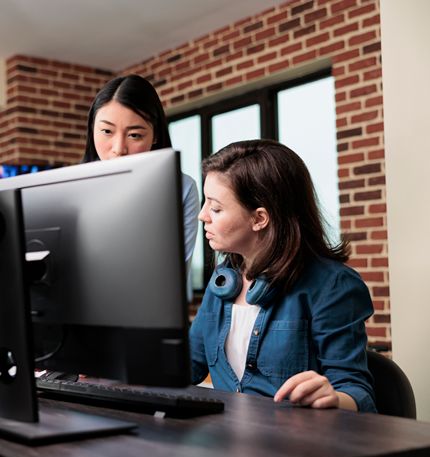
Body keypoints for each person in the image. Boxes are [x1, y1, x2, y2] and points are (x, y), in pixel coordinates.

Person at [190, 139, 376, 412]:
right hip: (227, 445)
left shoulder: (333, 285)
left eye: (216, 208)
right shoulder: (223, 281)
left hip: (297, 446)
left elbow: (357, 391)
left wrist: (334, 398)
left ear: (259, 218)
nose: (202, 215)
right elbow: (186, 367)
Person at [82, 74, 199, 272]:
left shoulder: (181, 188)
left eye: (134, 135)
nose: (119, 148)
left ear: (155, 136)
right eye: (107, 131)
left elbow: (175, 274)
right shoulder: (73, 188)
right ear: (92, 129)